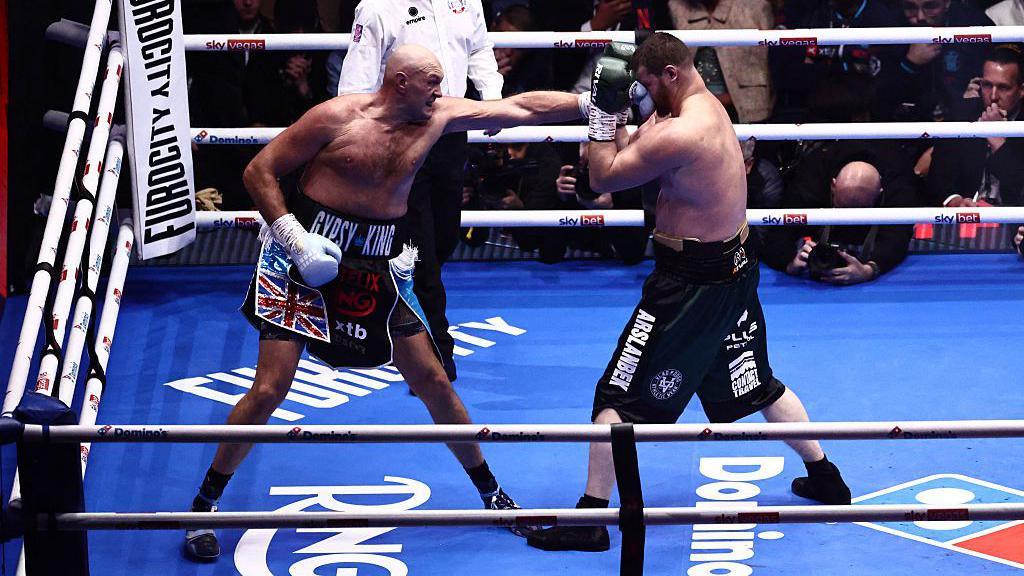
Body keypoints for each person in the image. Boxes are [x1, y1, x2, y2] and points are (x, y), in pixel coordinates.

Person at [183, 45, 589, 562]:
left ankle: (491, 492)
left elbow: (524, 108)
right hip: (303, 260)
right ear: (400, 82)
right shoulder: (336, 117)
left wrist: (588, 105)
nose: (441, 91)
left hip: (377, 266)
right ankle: (203, 506)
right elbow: (259, 171)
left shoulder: (438, 116)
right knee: (268, 389)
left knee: (434, 379)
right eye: (432, 82)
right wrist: (293, 238)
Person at [526, 34, 850, 553]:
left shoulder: (685, 129)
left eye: (649, 83)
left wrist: (603, 119)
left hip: (690, 286)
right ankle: (826, 476)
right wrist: (618, 123)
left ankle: (590, 519)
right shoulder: (703, 107)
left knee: (616, 396)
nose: (644, 92)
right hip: (730, 270)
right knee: (758, 384)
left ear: (671, 74)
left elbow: (603, 173)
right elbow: (638, 147)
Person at [334, 0, 504, 383]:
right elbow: (355, 85)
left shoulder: (466, 2)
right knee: (422, 249)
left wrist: (491, 99)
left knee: (442, 238)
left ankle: (398, 321)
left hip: (451, 131)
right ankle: (436, 355)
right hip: (401, 135)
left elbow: (478, 49)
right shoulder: (378, 8)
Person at [760, 152, 917, 284]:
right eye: (843, 207)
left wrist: (869, 269)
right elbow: (778, 229)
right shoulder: (811, 179)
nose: (848, 219)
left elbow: (898, 236)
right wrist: (789, 262)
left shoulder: (898, 184)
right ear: (833, 185)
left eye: (859, 211)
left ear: (880, 192)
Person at [927, 45, 1024, 209]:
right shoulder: (961, 114)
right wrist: (955, 201)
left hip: (1014, 223)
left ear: (1021, 90)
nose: (993, 96)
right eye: (987, 85)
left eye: (1003, 87)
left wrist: (997, 142)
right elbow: (938, 178)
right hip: (963, 221)